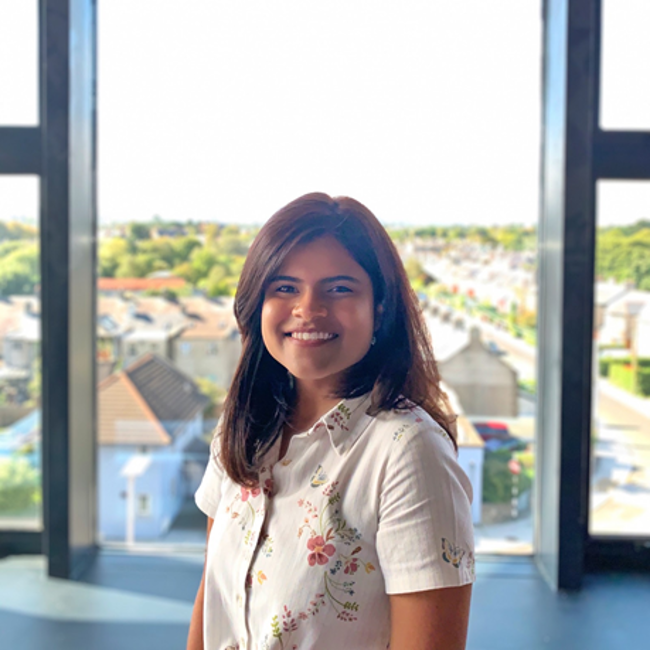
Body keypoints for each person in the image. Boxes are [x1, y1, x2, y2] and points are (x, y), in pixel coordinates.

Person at [187, 193, 475, 650]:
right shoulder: (242, 424)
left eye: (339, 288)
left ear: (379, 308)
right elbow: (214, 592)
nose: (308, 308)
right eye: (284, 287)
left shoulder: (410, 454)